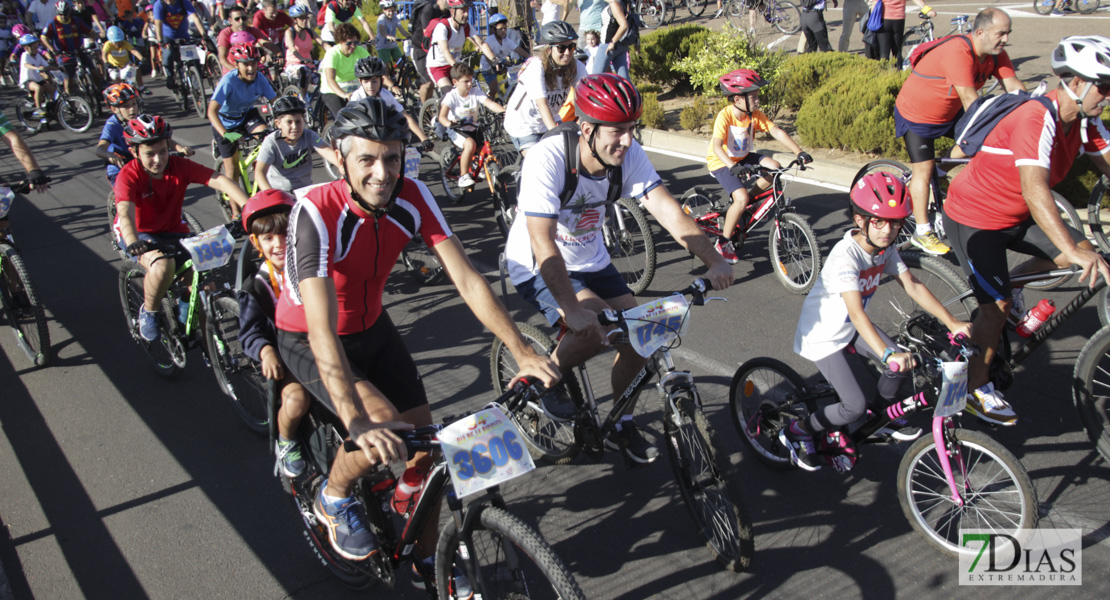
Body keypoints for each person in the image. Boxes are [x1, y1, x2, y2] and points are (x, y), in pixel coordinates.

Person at [274, 97, 560, 567]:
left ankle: (434, 568)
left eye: (392, 157)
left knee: (425, 453)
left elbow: (465, 277)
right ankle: (335, 493)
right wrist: (354, 419)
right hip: (309, 334)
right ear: (339, 158)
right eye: (366, 158)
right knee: (384, 423)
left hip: (371, 325)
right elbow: (322, 329)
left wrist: (521, 350)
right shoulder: (316, 212)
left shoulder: (412, 194)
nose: (382, 173)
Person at [504, 74, 733, 463]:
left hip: (591, 259)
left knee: (642, 334)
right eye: (618, 131)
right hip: (538, 262)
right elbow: (542, 242)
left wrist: (713, 259)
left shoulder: (627, 155)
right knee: (596, 327)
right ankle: (547, 375)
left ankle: (622, 424)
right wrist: (574, 310)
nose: (627, 141)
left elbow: (666, 209)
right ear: (586, 128)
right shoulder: (550, 158)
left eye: (632, 129)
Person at [941, 36, 1110, 426]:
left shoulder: (1085, 122)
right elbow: (1035, 189)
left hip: (1016, 213)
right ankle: (976, 388)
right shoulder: (1037, 117)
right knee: (996, 308)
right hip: (975, 216)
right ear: (1078, 83)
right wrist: (1074, 243)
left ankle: (1007, 285)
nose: (1108, 96)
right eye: (1104, 86)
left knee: (1077, 259)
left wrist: (1076, 248)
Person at [782, 173, 973, 470]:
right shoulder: (847, 257)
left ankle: (881, 417)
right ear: (860, 220)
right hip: (823, 336)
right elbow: (857, 313)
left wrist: (951, 321)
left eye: (895, 223)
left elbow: (911, 284)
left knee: (897, 370)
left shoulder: (886, 248)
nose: (888, 230)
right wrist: (886, 354)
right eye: (879, 221)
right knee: (853, 406)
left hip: (851, 326)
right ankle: (798, 431)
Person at [893, 7, 1023, 256]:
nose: (1006, 39)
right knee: (924, 169)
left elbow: (1015, 88)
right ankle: (922, 231)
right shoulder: (958, 51)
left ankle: (942, 171)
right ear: (981, 32)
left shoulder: (996, 54)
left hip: (948, 113)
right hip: (917, 115)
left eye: (1008, 33)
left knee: (985, 141)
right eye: (1001, 33)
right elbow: (969, 99)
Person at [113, 114, 248, 342]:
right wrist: (132, 239)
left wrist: (250, 208)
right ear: (135, 152)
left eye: (163, 151)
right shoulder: (128, 176)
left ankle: (202, 339)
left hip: (173, 229)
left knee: (204, 283)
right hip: (139, 233)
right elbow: (125, 213)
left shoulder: (179, 166)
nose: (158, 159)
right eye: (149, 154)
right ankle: (149, 311)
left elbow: (220, 180)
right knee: (163, 266)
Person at [236, 189, 312, 479]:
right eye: (268, 238)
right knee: (296, 402)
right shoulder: (257, 286)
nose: (278, 244)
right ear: (256, 243)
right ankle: (286, 440)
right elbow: (250, 331)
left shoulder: (313, 267)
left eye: (284, 234)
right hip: (289, 358)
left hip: (326, 348)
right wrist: (265, 350)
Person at [707, 69, 812, 263]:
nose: (757, 100)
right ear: (738, 99)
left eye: (757, 95)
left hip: (743, 157)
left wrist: (799, 152)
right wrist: (732, 166)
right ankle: (723, 242)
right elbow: (716, 147)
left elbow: (777, 131)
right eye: (753, 96)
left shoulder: (754, 115)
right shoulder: (725, 116)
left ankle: (750, 204)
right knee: (740, 197)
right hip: (722, 161)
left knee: (775, 167)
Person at [207, 42, 276, 216]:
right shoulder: (228, 81)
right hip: (225, 123)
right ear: (237, 65)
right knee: (232, 169)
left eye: (253, 63)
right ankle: (236, 211)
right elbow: (211, 111)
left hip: (246, 116)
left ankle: (261, 180)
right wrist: (225, 133)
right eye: (246, 64)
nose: (251, 68)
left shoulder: (260, 78)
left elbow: (276, 101)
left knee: (267, 139)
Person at [503, 20, 586, 156]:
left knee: (573, 157)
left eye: (571, 47)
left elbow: (587, 94)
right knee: (540, 161)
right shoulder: (537, 67)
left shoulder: (575, 66)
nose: (567, 53)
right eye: (561, 48)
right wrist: (554, 134)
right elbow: (542, 104)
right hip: (524, 126)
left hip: (551, 119)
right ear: (548, 49)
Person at [97, 83, 194, 185]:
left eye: (134, 103)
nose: (132, 109)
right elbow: (100, 149)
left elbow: (162, 139)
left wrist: (181, 149)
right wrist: (109, 155)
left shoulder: (141, 120)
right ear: (114, 109)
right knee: (126, 195)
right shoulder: (112, 125)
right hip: (119, 168)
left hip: (140, 164)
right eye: (126, 106)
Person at [346, 56, 434, 151]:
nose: (370, 86)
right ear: (360, 81)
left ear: (382, 81)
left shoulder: (386, 95)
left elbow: (406, 117)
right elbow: (354, 126)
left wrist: (424, 138)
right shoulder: (357, 97)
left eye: (374, 81)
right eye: (366, 81)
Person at [254, 95, 340, 193]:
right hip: (280, 193)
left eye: (298, 121)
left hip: (305, 190)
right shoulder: (272, 142)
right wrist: (271, 195)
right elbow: (259, 173)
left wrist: (344, 169)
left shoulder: (309, 135)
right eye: (289, 122)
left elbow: (330, 154)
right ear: (278, 123)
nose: (294, 127)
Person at [438, 62, 504, 189]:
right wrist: (449, 123)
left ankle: (485, 168)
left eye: (471, 80)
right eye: (465, 81)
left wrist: (503, 112)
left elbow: (490, 104)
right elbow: (442, 117)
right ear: (455, 82)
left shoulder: (475, 92)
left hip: (473, 126)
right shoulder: (451, 96)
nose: (470, 84)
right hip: (457, 129)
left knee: (483, 150)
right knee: (470, 144)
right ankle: (463, 176)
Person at [425, 0, 497, 92]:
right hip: (438, 66)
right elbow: (445, 51)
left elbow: (482, 44)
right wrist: (458, 67)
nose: (466, 14)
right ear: (452, 11)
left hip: (455, 65)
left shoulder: (466, 27)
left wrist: (494, 59)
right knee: (449, 94)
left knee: (467, 91)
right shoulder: (443, 27)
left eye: (467, 10)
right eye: (463, 11)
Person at [39, 0, 99, 95]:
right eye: (61, 14)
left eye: (65, 14)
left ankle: (99, 93)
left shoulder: (76, 21)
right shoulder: (52, 23)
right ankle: (70, 104)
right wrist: (53, 50)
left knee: (94, 71)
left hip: (78, 51)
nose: (63, 17)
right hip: (63, 55)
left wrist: (91, 40)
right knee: (68, 80)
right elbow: (43, 37)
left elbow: (91, 32)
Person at [152, 0, 206, 90]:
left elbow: (195, 18)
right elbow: (158, 24)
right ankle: (170, 77)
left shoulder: (183, 2)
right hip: (167, 37)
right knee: (169, 54)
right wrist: (161, 41)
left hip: (184, 35)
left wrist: (204, 34)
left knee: (194, 58)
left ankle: (198, 81)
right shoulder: (159, 5)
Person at [320, 22, 370, 117]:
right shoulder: (332, 54)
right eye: (349, 43)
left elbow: (373, 69)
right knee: (343, 117)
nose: (353, 46)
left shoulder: (360, 51)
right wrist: (344, 95)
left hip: (353, 87)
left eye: (355, 42)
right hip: (332, 90)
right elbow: (330, 80)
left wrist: (390, 86)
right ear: (340, 41)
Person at [479, 12, 528, 98]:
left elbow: (518, 49)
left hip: (500, 62)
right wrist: (493, 66)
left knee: (515, 71)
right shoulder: (490, 41)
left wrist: (530, 57)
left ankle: (507, 92)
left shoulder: (506, 40)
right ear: (493, 30)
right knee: (493, 89)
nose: (504, 31)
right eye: (500, 29)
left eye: (505, 28)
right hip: (488, 66)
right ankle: (489, 106)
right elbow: (487, 56)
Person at [17, 34, 65, 122]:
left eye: (36, 47)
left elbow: (47, 66)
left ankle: (50, 109)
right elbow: (26, 64)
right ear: (27, 48)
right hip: (27, 81)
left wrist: (59, 68)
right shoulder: (25, 55)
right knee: (38, 88)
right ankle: (38, 109)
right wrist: (37, 68)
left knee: (54, 90)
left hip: (37, 79)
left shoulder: (38, 55)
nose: (36, 49)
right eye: (34, 48)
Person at [410, 0, 448, 104]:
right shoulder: (428, 10)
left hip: (435, 50)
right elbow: (427, 33)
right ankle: (425, 110)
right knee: (428, 82)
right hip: (420, 49)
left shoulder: (448, 11)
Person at [875, 0, 934, 66]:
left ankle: (884, 73)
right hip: (899, 19)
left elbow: (875, 3)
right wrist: (925, 8)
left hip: (884, 19)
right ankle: (899, 73)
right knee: (897, 52)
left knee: (884, 52)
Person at [216, 5, 273, 73]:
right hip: (233, 69)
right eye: (237, 19)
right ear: (230, 20)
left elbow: (267, 43)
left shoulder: (253, 30)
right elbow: (222, 59)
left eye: (244, 18)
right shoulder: (225, 34)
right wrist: (237, 71)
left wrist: (279, 55)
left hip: (252, 68)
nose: (241, 21)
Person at [283, 3, 319, 96]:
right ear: (295, 20)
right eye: (302, 18)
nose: (305, 20)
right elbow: (292, 48)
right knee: (304, 70)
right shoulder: (290, 32)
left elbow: (323, 43)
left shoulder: (309, 31)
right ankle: (303, 98)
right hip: (293, 66)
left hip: (309, 65)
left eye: (306, 17)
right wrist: (301, 59)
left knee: (322, 78)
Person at [102, 25, 146, 90]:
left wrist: (141, 58)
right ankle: (120, 90)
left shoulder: (125, 43)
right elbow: (104, 55)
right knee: (115, 77)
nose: (118, 43)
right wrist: (106, 62)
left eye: (119, 41)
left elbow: (134, 51)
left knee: (136, 70)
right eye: (115, 42)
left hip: (126, 64)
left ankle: (141, 87)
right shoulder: (108, 44)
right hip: (114, 66)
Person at [597, 0, 633, 80]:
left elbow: (624, 25)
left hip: (608, 45)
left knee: (595, 77)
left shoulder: (615, 4)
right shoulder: (622, 3)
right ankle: (631, 92)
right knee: (624, 79)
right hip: (621, 44)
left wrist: (613, 42)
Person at [373, 0, 408, 74]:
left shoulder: (395, 18)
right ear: (384, 10)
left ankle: (402, 83)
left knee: (402, 65)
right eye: (389, 11)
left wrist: (411, 36)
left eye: (393, 10)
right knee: (386, 68)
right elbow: (382, 30)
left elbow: (402, 30)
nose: (391, 13)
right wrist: (388, 36)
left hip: (392, 45)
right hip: (382, 45)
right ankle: (387, 84)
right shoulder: (381, 18)